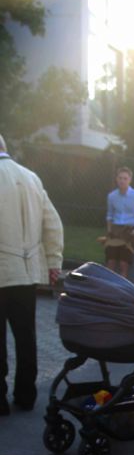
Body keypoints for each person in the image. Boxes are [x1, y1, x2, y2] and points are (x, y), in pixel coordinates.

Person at [0, 135, 63, 416]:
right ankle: (26, 394)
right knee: (26, 336)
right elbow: (53, 223)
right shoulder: (31, 178)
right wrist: (53, 262)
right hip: (27, 274)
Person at [106, 166, 134, 279]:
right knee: (110, 262)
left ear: (130, 180)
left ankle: (121, 287)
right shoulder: (111, 196)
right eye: (120, 178)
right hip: (115, 231)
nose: (122, 181)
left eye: (125, 178)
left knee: (123, 264)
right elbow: (109, 215)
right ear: (116, 179)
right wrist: (110, 230)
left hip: (130, 231)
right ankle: (107, 287)